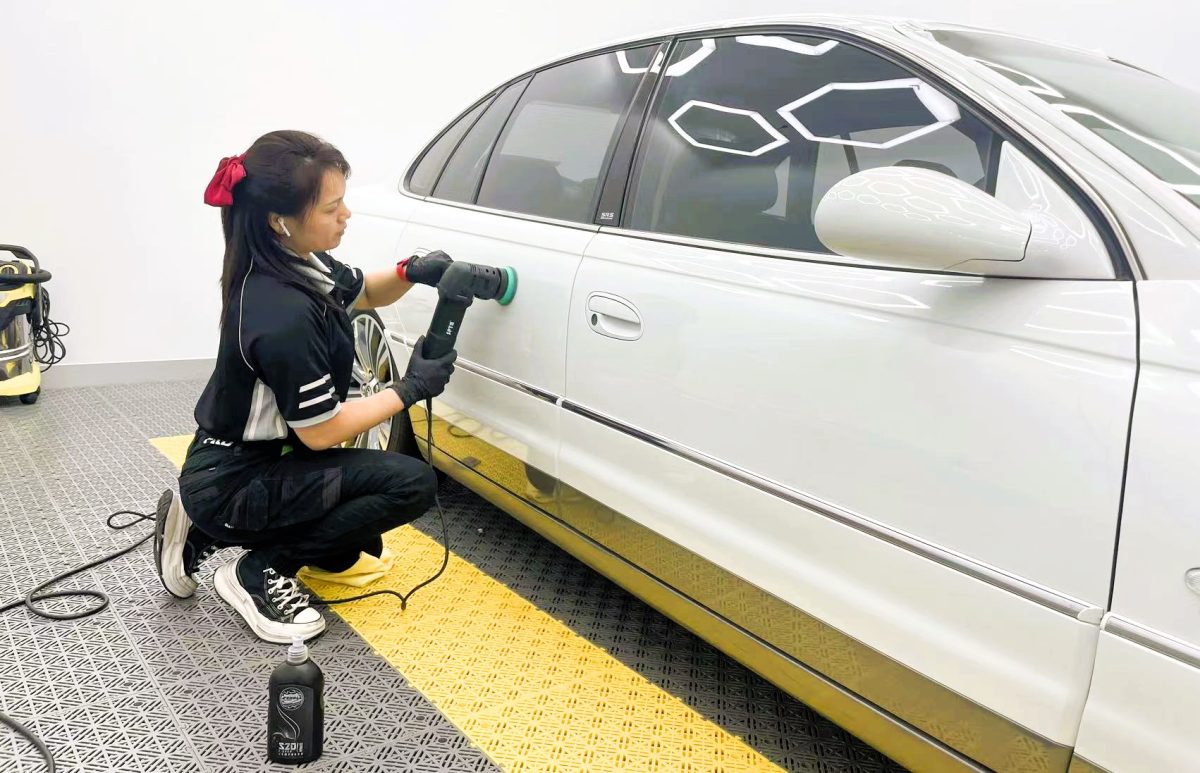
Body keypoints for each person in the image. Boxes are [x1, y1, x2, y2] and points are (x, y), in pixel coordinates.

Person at [152, 130, 458, 643]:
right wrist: (409, 389)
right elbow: (322, 432)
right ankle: (259, 570)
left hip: (256, 457)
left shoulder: (293, 261)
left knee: (350, 549)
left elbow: (362, 291)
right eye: (331, 207)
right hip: (239, 478)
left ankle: (200, 523)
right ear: (281, 220)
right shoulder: (281, 312)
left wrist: (413, 271)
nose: (347, 216)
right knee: (410, 485)